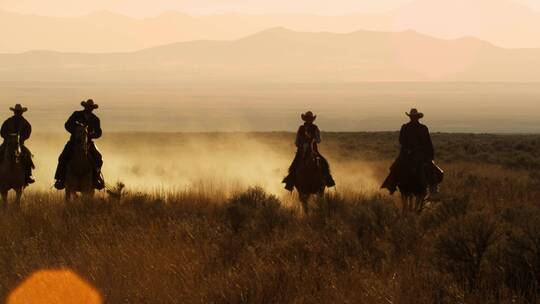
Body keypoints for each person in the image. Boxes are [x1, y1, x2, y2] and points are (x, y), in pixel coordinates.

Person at [382, 108, 442, 196]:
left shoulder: (421, 128)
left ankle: (433, 189)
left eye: (414, 117)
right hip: (408, 152)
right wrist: (409, 148)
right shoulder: (408, 127)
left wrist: (430, 156)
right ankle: (392, 186)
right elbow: (402, 140)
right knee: (396, 167)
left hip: (417, 153)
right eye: (413, 117)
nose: (413, 118)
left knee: (431, 168)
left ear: (417, 117)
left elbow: (428, 143)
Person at [54, 99, 104, 190]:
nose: (90, 109)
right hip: (74, 142)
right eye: (88, 107)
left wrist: (91, 135)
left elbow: (99, 132)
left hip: (88, 143)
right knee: (62, 157)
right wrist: (75, 131)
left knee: (99, 158)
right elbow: (67, 125)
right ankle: (60, 179)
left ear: (93, 108)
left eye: (91, 107)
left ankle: (96, 179)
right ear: (85, 107)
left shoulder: (95, 119)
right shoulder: (76, 115)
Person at [283, 111, 336, 191]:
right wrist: (302, 144)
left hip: (313, 150)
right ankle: (290, 182)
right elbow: (297, 142)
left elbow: (318, 140)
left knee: (324, 163)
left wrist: (313, 139)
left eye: (310, 119)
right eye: (307, 119)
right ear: (305, 119)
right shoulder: (301, 128)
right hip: (301, 151)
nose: (309, 120)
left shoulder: (315, 128)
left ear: (312, 120)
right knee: (293, 166)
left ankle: (328, 180)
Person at [0, 104, 35, 184]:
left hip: (19, 144)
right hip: (7, 143)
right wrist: (8, 138)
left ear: (22, 112)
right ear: (14, 112)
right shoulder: (8, 121)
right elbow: (2, 132)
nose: (18, 113)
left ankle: (27, 176)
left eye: (19, 112)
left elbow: (28, 133)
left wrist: (21, 139)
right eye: (17, 112)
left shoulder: (25, 123)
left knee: (27, 156)